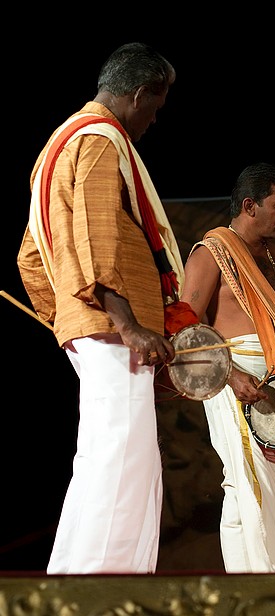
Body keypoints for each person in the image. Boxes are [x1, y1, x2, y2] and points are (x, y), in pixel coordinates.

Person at [16, 42, 182, 574]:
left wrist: (66, 316)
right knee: (122, 457)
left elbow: (30, 257)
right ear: (140, 94)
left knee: (108, 454)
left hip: (92, 323)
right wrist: (125, 324)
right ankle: (103, 587)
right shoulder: (100, 139)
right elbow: (96, 232)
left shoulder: (55, 147)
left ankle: (74, 581)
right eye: (156, 108)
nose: (154, 120)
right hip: (113, 326)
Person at [180, 162, 275, 573]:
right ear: (250, 205)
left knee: (254, 493)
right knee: (258, 488)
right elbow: (184, 327)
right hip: (236, 378)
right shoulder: (210, 252)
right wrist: (231, 375)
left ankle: (248, 589)